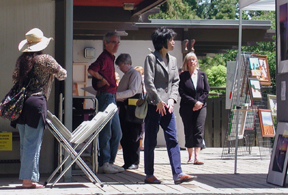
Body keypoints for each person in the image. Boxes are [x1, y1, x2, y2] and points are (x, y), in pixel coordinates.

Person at [12, 28, 67, 188]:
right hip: (37, 103)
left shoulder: (21, 60)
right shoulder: (46, 59)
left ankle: (27, 178)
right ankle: (28, 181)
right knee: (33, 144)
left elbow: (15, 79)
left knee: (25, 142)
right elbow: (62, 74)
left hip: (21, 103)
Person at [143, 27, 197, 185]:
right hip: (154, 105)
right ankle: (149, 174)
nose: (173, 42)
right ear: (162, 41)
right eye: (171, 39)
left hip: (168, 106)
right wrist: (158, 100)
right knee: (151, 141)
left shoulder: (173, 60)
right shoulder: (151, 58)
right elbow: (148, 81)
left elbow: (175, 82)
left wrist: (172, 99)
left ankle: (178, 173)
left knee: (173, 139)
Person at [88, 31, 124, 174]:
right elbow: (91, 69)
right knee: (107, 131)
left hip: (111, 97)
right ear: (106, 43)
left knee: (117, 132)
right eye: (113, 42)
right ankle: (104, 162)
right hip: (106, 97)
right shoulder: (104, 57)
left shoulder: (110, 58)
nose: (116, 45)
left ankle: (109, 161)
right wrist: (102, 80)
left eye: (118, 43)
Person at [179, 52, 210, 165]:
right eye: (189, 60)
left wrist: (199, 103)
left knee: (199, 129)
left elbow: (206, 91)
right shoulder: (183, 76)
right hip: (187, 107)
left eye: (193, 59)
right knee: (189, 129)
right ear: (186, 62)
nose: (192, 61)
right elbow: (181, 92)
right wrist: (194, 102)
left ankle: (197, 156)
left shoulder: (202, 75)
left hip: (201, 107)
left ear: (196, 61)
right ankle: (190, 156)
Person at [115, 54, 142, 170]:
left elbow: (133, 91)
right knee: (125, 135)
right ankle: (127, 161)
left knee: (133, 135)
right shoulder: (127, 75)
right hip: (125, 107)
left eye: (121, 65)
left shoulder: (134, 74)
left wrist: (116, 95)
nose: (120, 68)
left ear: (127, 63)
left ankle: (134, 161)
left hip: (132, 107)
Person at [134, 66, 145, 151]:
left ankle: (141, 144)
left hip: (143, 106)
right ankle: (138, 144)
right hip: (135, 106)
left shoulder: (145, 82)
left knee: (142, 127)